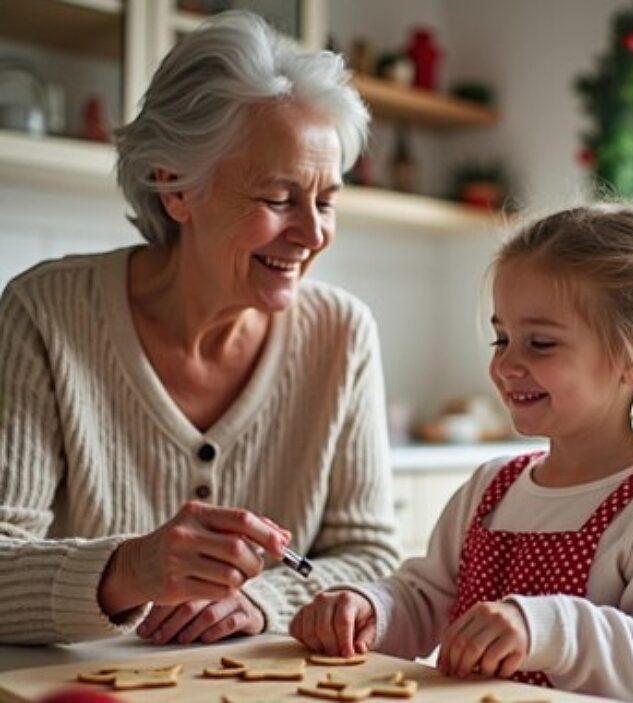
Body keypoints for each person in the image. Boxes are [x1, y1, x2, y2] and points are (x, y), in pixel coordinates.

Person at [0, 11, 400, 645]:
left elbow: (374, 561)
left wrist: (259, 600)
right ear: (174, 187)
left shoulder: (343, 334)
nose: (313, 232)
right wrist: (129, 570)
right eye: (278, 198)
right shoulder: (45, 314)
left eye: (325, 201)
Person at [290, 204, 633, 702]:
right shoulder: (490, 488)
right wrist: (373, 608)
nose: (506, 364)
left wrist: (551, 630)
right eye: (502, 338)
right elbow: (426, 599)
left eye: (539, 343)